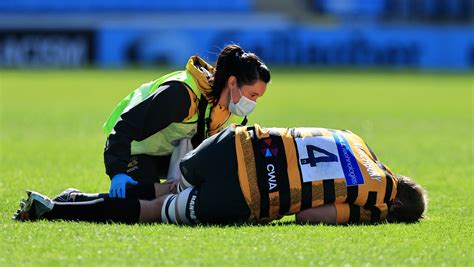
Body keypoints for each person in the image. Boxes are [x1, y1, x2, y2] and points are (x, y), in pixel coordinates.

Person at [14, 124, 427, 225]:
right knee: (153, 210)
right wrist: (368, 216)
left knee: (165, 186)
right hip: (245, 193)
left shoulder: (356, 141)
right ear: (396, 204)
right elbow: (306, 216)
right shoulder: (376, 197)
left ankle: (73, 197)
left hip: (233, 144)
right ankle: (53, 212)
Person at [100, 44, 271, 199]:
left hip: (163, 153)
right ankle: (76, 199)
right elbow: (126, 125)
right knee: (143, 203)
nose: (253, 103)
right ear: (232, 82)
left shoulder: (224, 107)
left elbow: (202, 150)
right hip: (130, 148)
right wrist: (117, 171)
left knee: (196, 194)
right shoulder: (181, 95)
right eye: (252, 95)